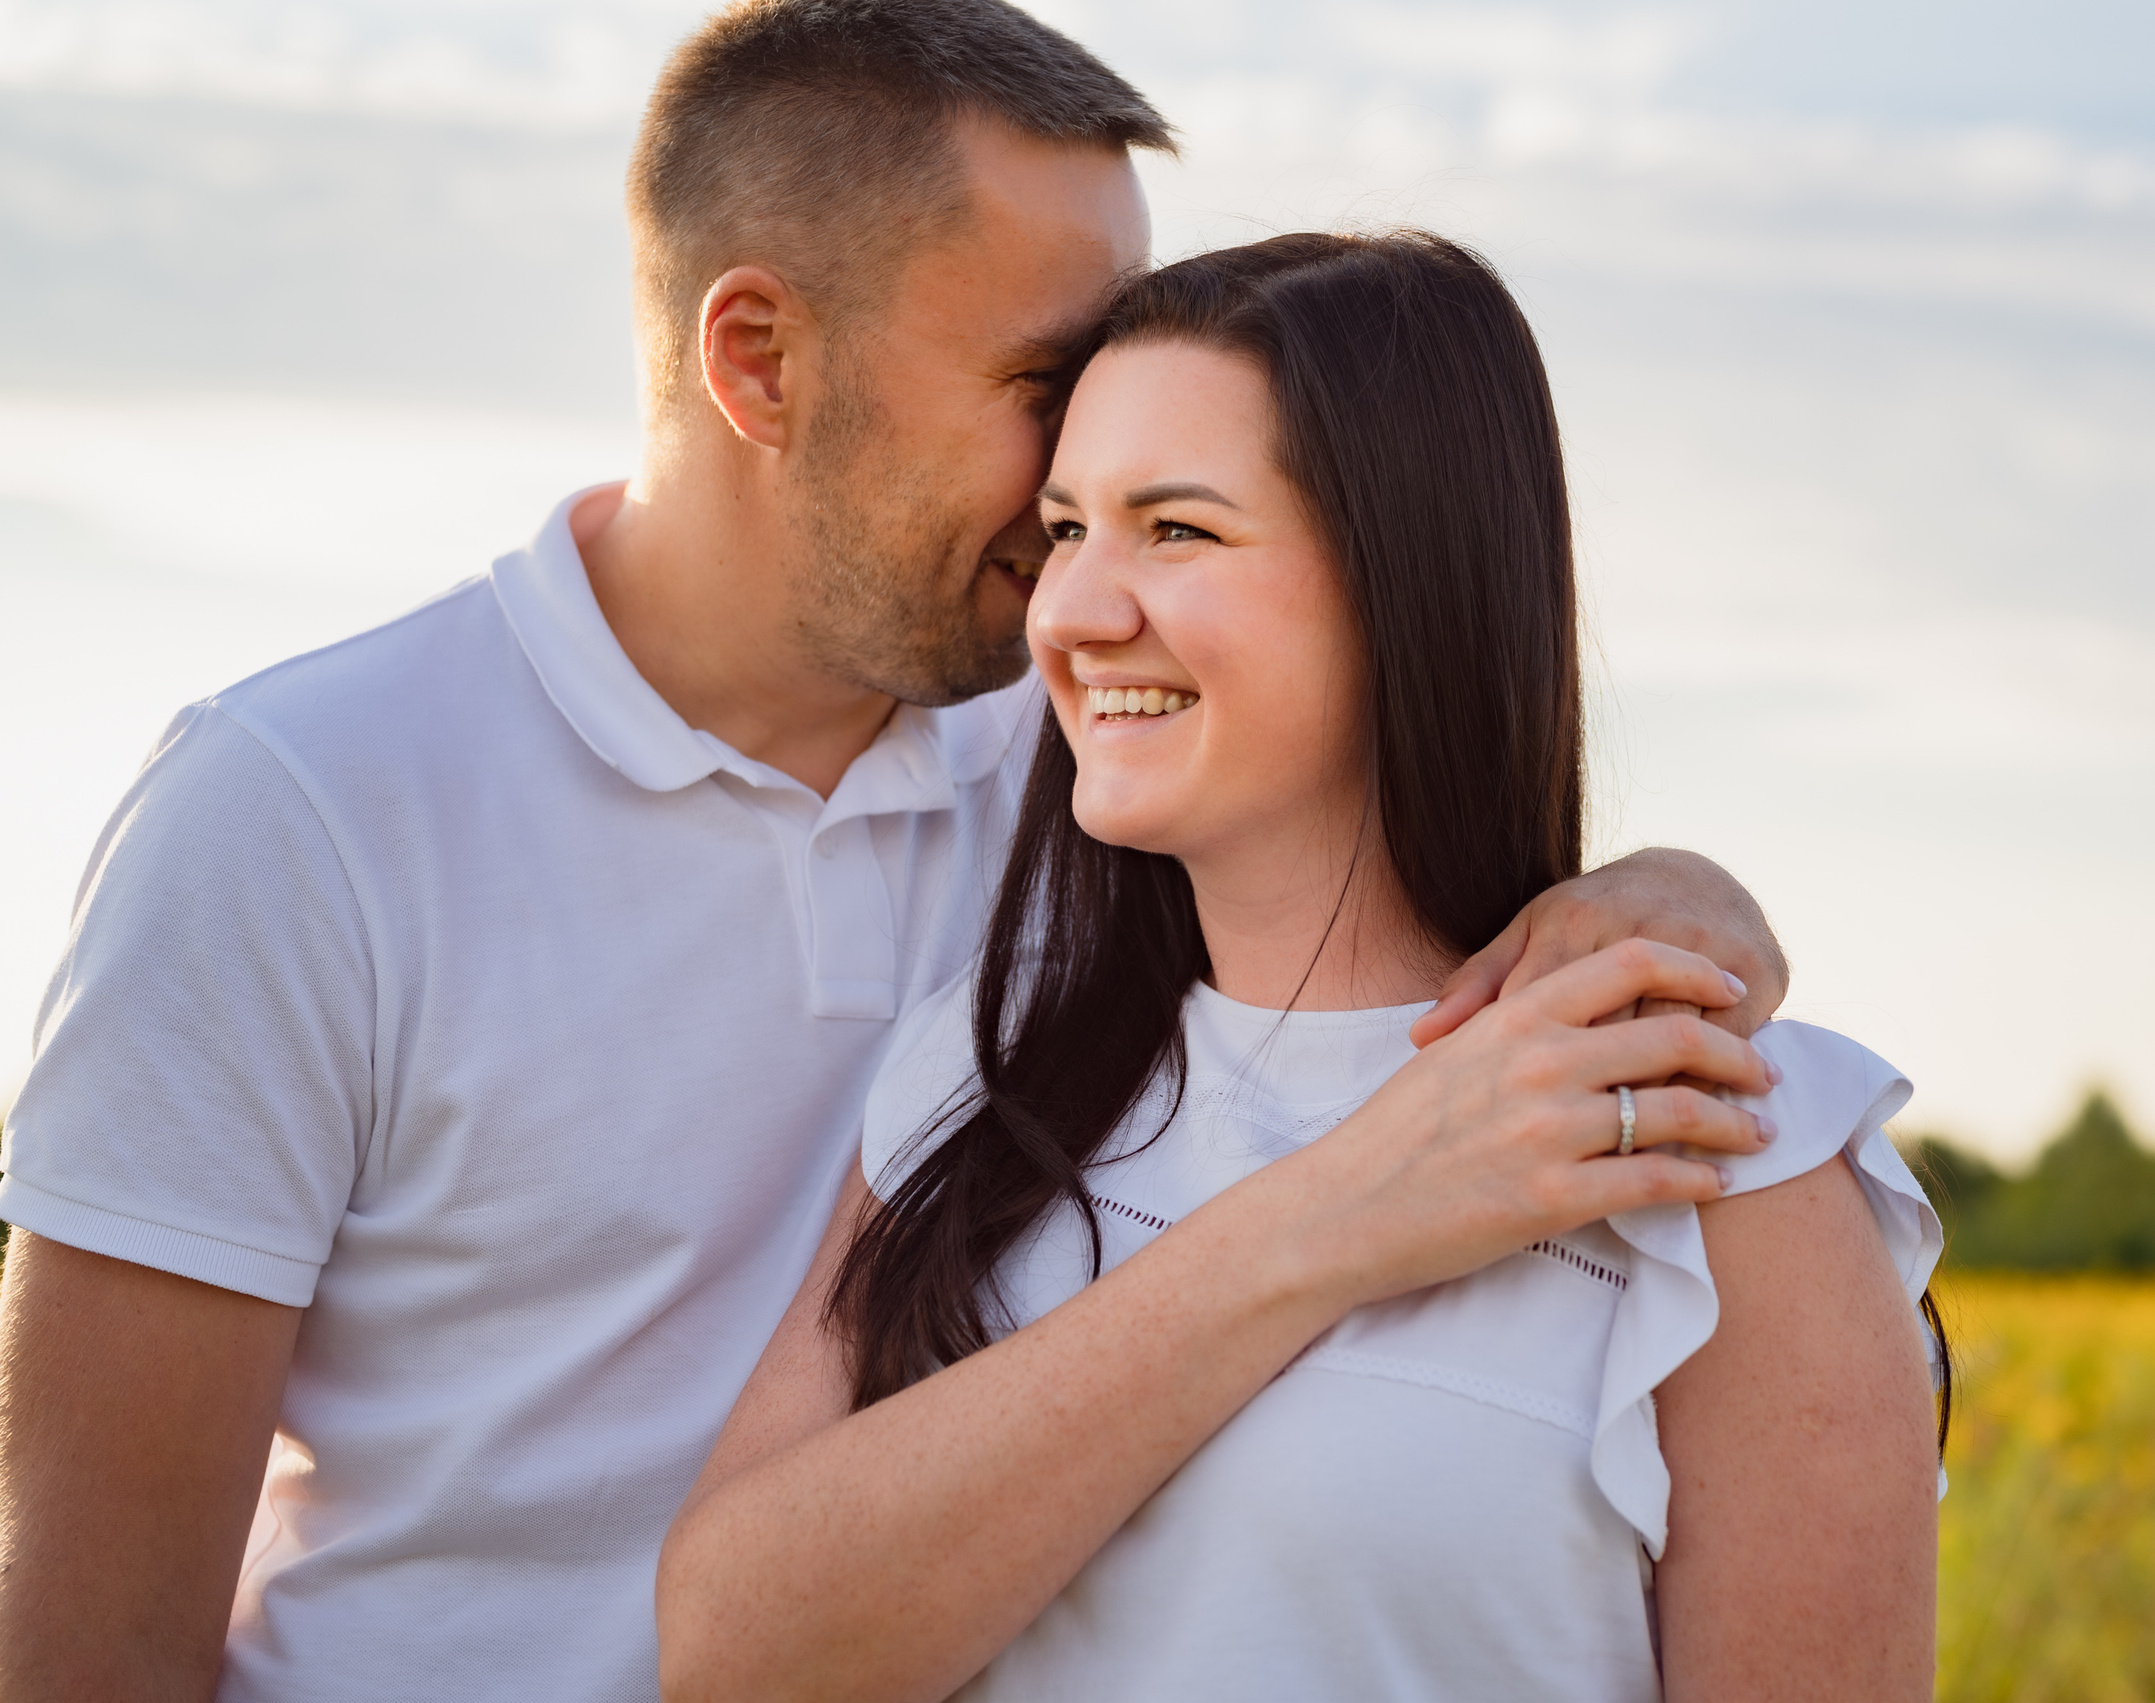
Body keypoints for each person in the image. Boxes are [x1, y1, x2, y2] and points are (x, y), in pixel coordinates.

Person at [0, 5, 1793, 1700]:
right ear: (759, 361)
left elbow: (1398, 854)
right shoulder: (297, 815)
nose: (1083, 482)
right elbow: (87, 1640)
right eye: (1043, 381)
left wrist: (1670, 902)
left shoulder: (1086, 752)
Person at [657, 233, 1946, 1702]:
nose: (1072, 613)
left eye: (1178, 531)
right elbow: (733, 1656)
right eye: (1067, 527)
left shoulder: (1715, 1145)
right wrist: (1337, 1214)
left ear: (1411, 583)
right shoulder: (988, 1064)